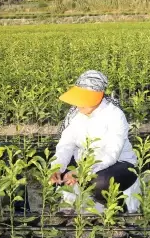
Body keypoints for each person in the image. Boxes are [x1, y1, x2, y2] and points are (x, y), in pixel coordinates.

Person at [51, 70, 140, 213]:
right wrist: (56, 168)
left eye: (85, 99)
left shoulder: (115, 115)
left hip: (119, 165)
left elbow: (111, 153)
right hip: (86, 166)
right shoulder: (75, 116)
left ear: (98, 97)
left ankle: (118, 210)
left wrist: (82, 172)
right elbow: (65, 146)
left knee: (100, 182)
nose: (79, 104)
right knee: (58, 178)